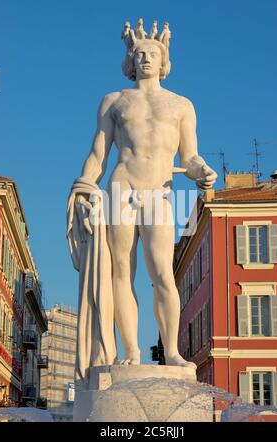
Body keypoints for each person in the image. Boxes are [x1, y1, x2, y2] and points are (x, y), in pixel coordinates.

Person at [67, 21, 217, 381]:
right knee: (120, 271)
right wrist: (86, 186)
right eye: (139, 53)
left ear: (164, 60)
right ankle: (131, 350)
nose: (146, 57)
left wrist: (202, 172)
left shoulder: (182, 105)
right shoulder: (114, 101)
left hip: (159, 192)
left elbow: (190, 156)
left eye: (153, 53)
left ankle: (171, 351)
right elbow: (97, 154)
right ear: (130, 61)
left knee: (163, 274)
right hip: (120, 187)